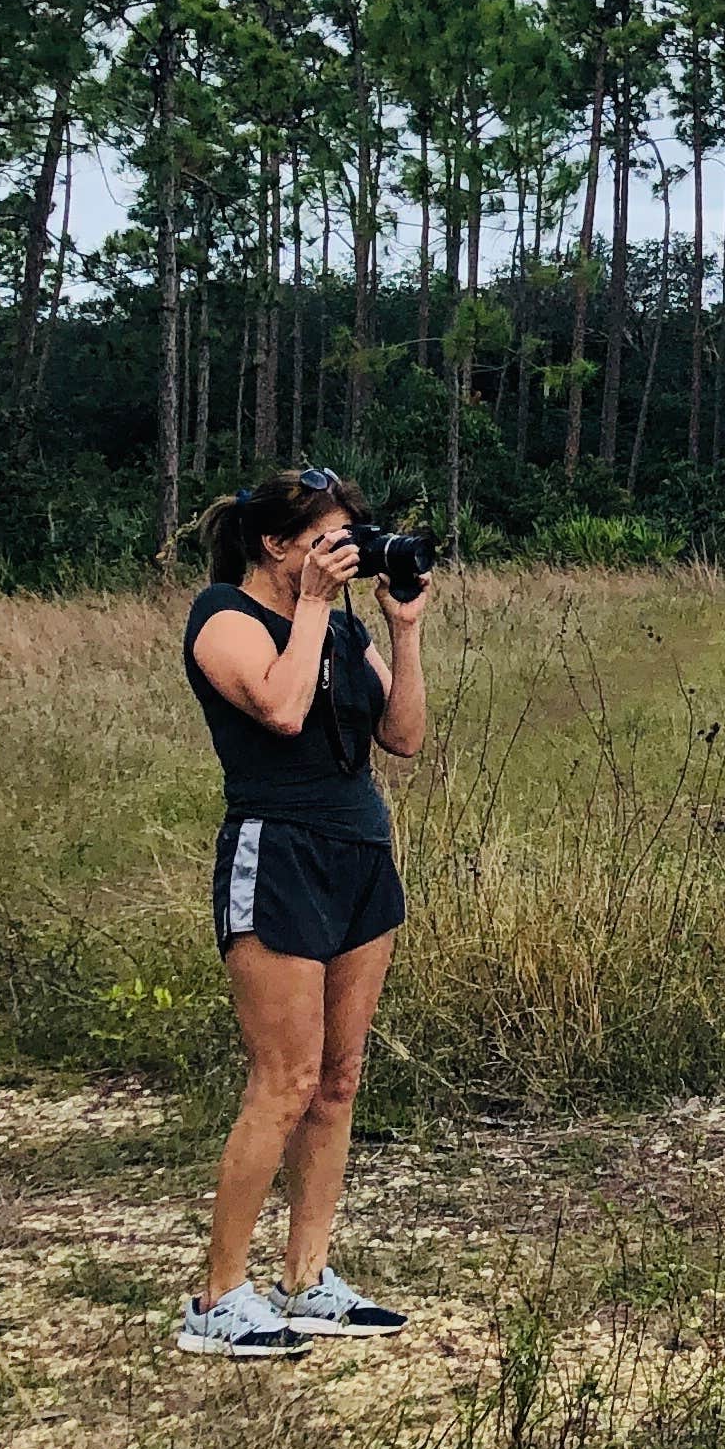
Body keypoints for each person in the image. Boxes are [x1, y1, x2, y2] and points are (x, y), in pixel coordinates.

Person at [174, 466, 431, 1361]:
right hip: (276, 852)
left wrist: (403, 631)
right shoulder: (224, 618)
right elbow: (283, 711)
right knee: (282, 1081)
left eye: (350, 540)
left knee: (338, 1079)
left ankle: (307, 1279)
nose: (345, 555)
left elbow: (404, 736)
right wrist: (315, 605)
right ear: (276, 543)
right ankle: (217, 1298)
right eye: (327, 540)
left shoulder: (347, 626)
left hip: (358, 851)